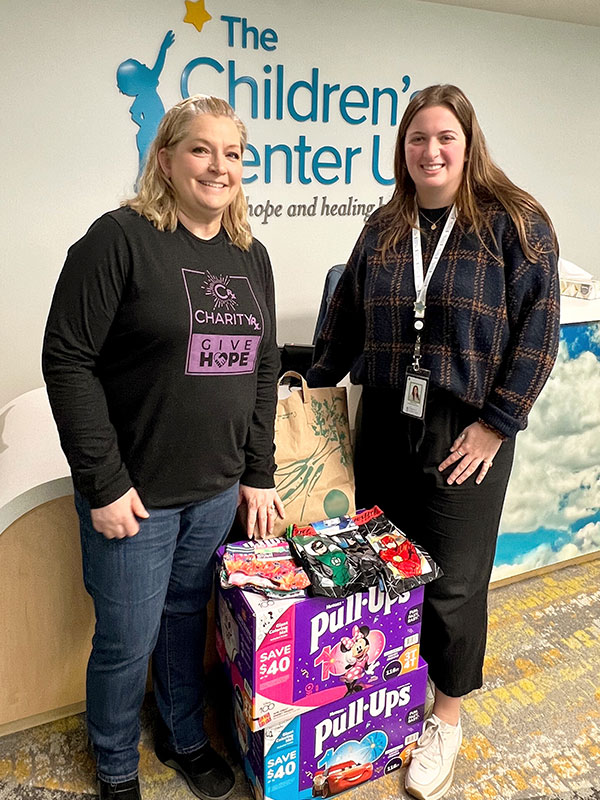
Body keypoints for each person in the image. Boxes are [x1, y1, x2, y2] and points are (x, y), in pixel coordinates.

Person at [307, 84, 559, 800]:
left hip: (465, 428)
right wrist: (314, 399)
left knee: (451, 583)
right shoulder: (386, 225)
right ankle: (382, 693)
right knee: (382, 565)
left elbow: (538, 331)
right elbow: (344, 318)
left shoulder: (514, 222)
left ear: (469, 143)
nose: (431, 150)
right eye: (418, 138)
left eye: (445, 136)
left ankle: (445, 715)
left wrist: (497, 424)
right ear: (403, 151)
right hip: (384, 413)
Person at [42, 95, 284, 800]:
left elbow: (263, 367)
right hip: (135, 498)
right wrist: (104, 481)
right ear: (167, 159)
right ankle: (116, 766)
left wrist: (257, 472)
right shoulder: (118, 239)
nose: (219, 166)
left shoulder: (250, 255)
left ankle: (182, 737)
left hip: (213, 490)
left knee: (186, 623)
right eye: (201, 149)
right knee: (126, 643)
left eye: (232, 153)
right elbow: (68, 359)